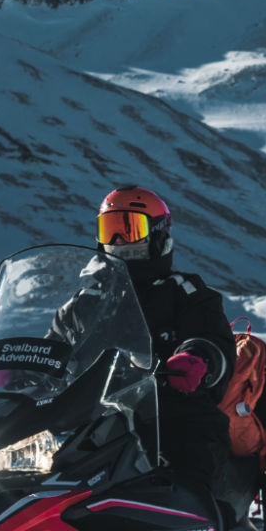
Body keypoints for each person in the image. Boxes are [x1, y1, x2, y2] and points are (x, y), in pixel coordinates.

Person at [94, 186, 236, 506]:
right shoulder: (87, 300)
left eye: (129, 229)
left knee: (189, 489)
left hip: (172, 418)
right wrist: (21, 364)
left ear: (158, 235)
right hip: (97, 421)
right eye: (110, 230)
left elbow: (215, 343)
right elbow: (57, 348)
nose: (118, 241)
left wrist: (198, 360)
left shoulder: (184, 292)